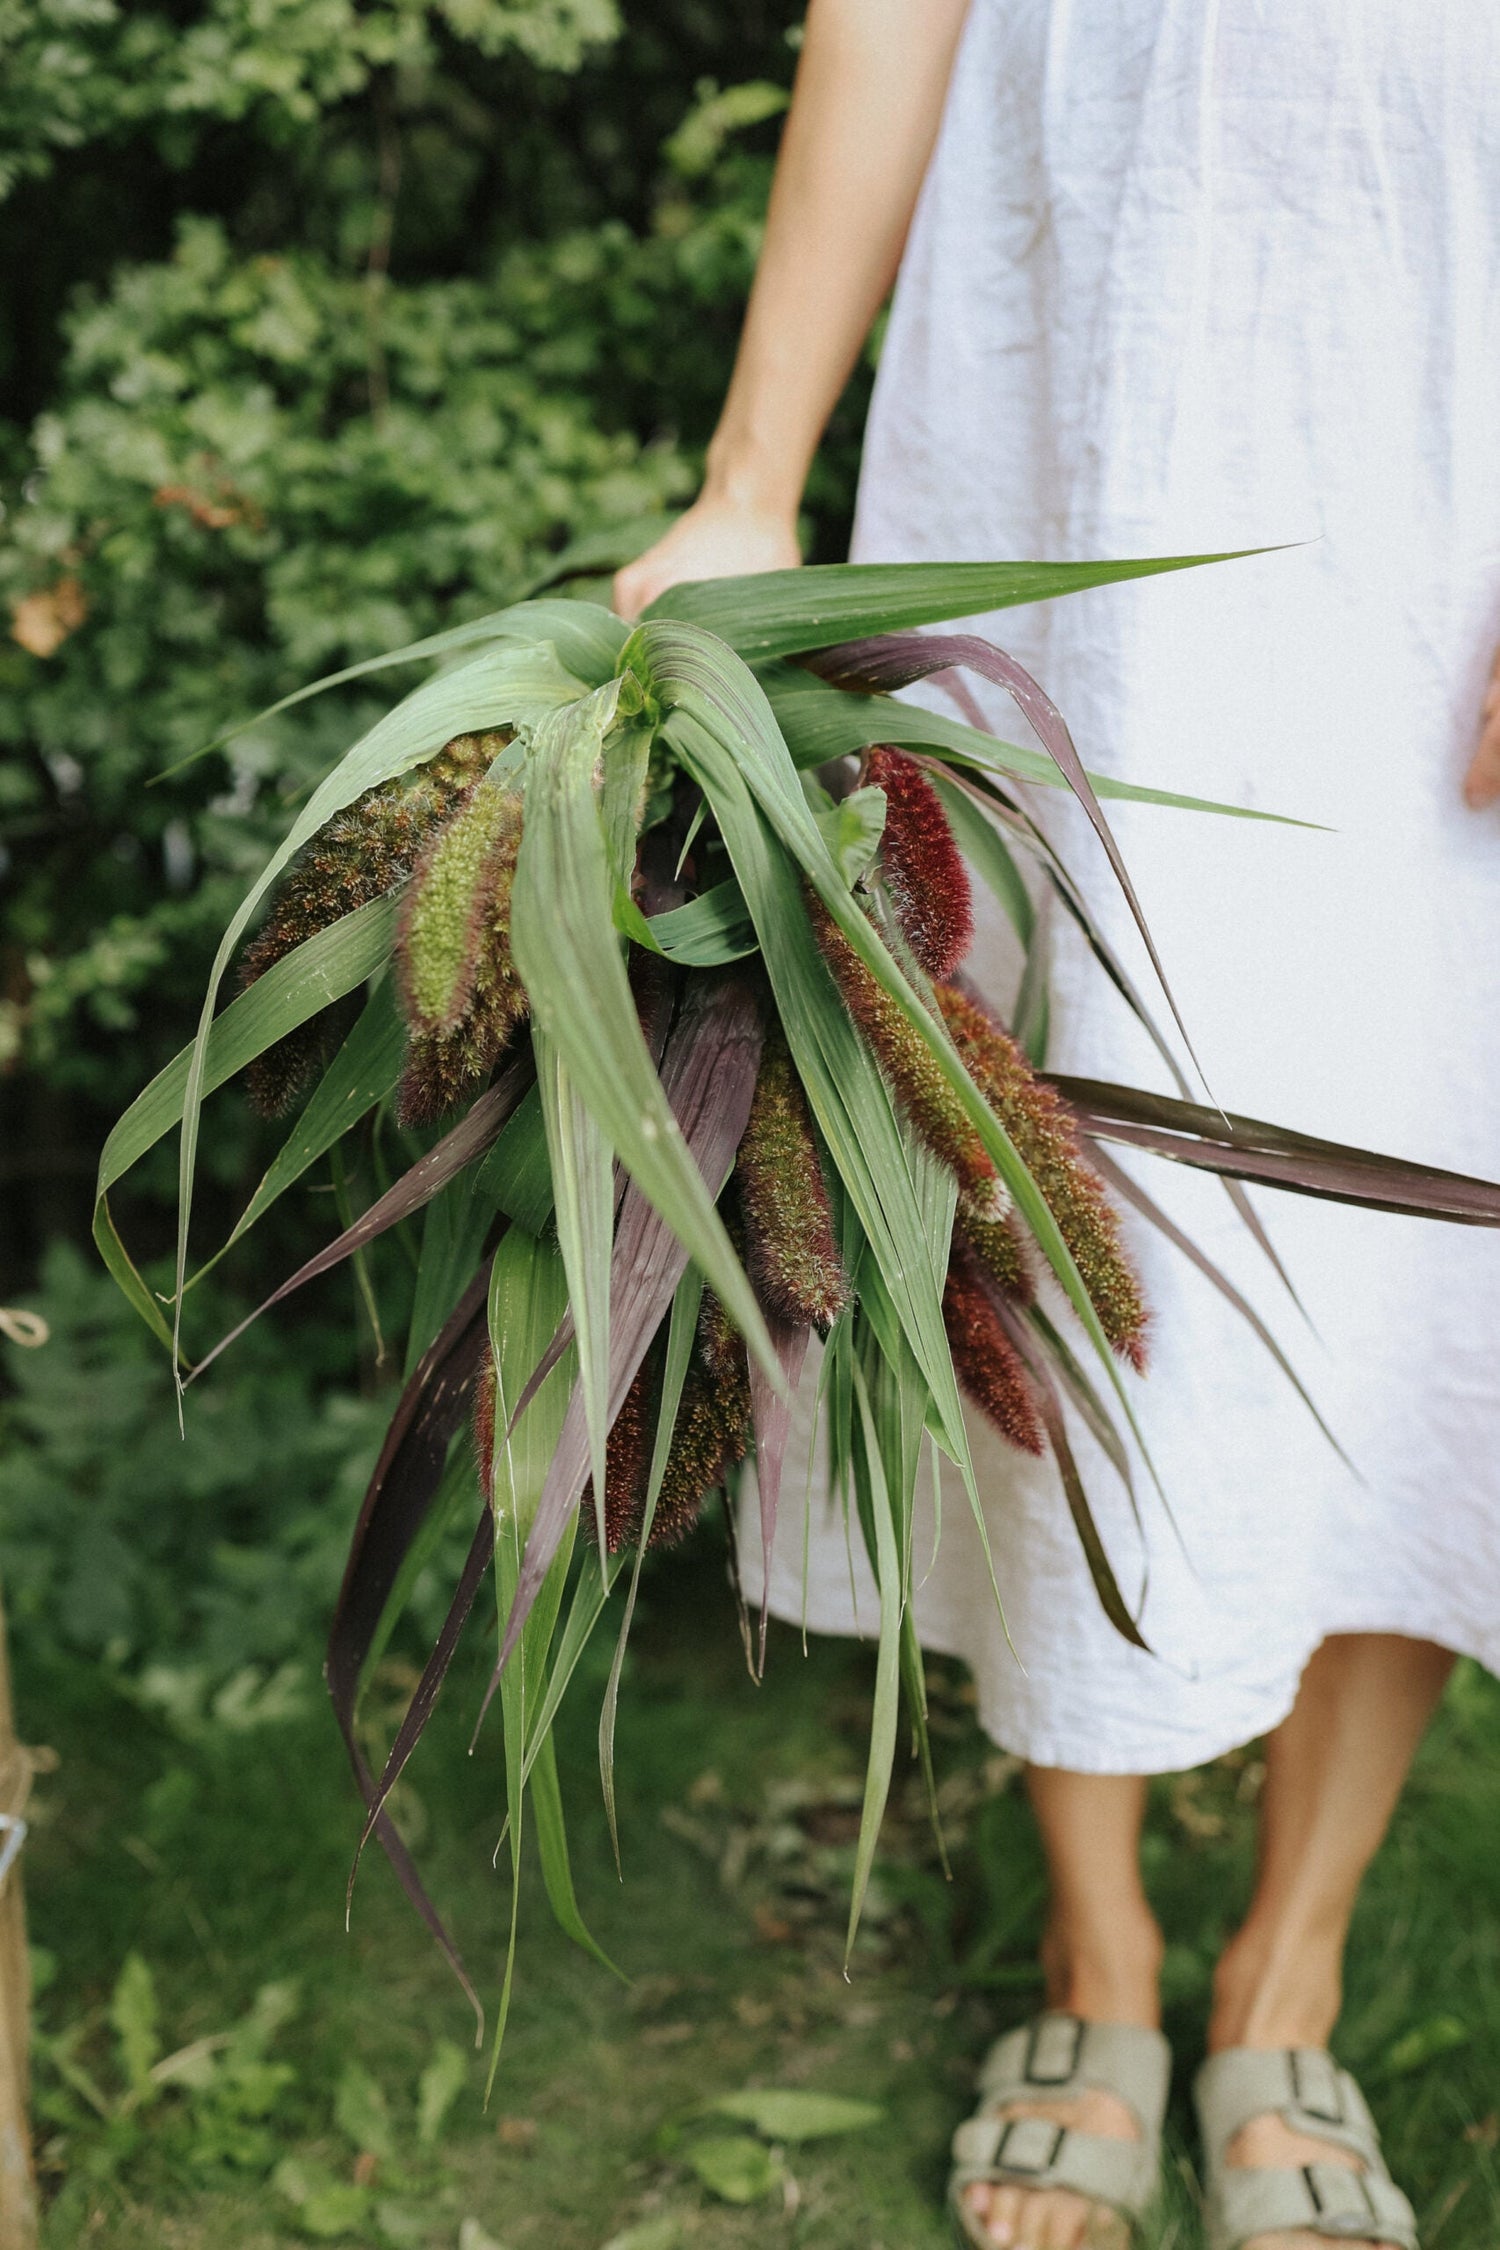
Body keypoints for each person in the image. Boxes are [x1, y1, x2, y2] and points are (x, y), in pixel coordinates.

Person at [615, 6, 1500, 2248]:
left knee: (1413, 1189)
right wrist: (748, 471)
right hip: (1072, 345)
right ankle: (1097, 1953)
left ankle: (1284, 1972)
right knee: (1042, 1145)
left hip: (1452, 372)